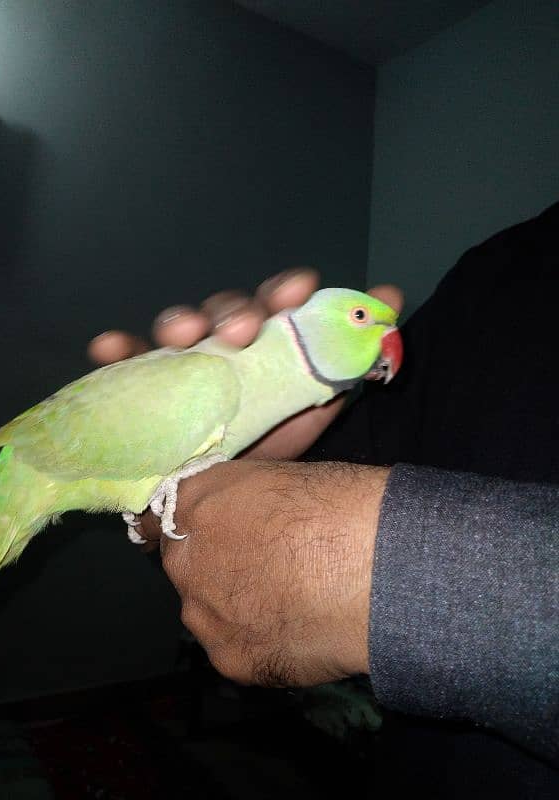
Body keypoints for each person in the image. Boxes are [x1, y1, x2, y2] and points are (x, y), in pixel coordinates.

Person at [89, 201, 558, 796]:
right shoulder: (499, 268)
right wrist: (213, 476)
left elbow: (359, 534)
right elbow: (324, 494)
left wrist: (420, 577)